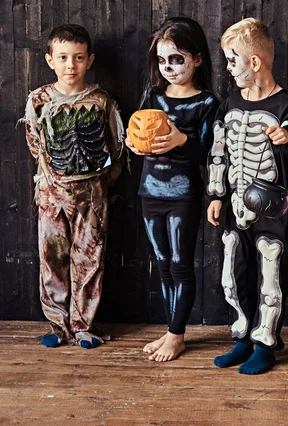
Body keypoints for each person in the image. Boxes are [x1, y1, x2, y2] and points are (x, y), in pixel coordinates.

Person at [206, 18, 288, 375]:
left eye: (232, 60)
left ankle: (265, 343)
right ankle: (242, 336)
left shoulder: (286, 105)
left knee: (271, 270)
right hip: (234, 203)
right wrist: (216, 194)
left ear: (254, 62)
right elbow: (218, 149)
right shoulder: (230, 102)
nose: (228, 68)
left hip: (271, 207)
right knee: (233, 271)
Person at [22, 24, 125, 349]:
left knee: (89, 260)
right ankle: (57, 325)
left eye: (78, 57)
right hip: (52, 195)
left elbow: (117, 147)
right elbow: (35, 145)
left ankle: (83, 326)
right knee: (52, 258)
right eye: (63, 57)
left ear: (89, 60)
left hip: (92, 197)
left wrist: (100, 184)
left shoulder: (101, 101)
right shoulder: (38, 100)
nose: (71, 65)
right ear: (50, 60)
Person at [125, 17, 219, 362]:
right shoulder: (153, 96)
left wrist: (182, 140)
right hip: (149, 191)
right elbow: (141, 133)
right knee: (162, 263)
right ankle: (170, 331)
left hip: (183, 194)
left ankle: (176, 335)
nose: (168, 68)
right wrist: (133, 145)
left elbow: (211, 152)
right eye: (163, 61)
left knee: (181, 264)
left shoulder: (206, 103)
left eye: (176, 59)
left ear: (196, 59)